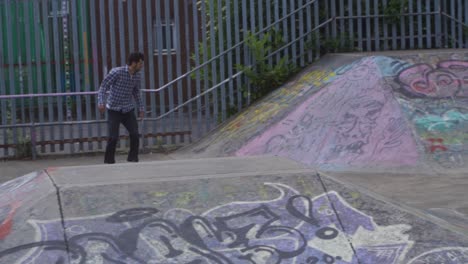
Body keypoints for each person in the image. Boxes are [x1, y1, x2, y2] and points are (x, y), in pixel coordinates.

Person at [98, 52, 145, 164]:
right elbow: (103, 86)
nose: (142, 66)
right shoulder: (117, 72)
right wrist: (101, 102)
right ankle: (109, 161)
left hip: (128, 109)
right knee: (113, 137)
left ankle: (132, 158)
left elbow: (136, 92)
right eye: (140, 63)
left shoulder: (137, 75)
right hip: (114, 109)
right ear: (134, 63)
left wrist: (141, 108)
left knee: (134, 134)